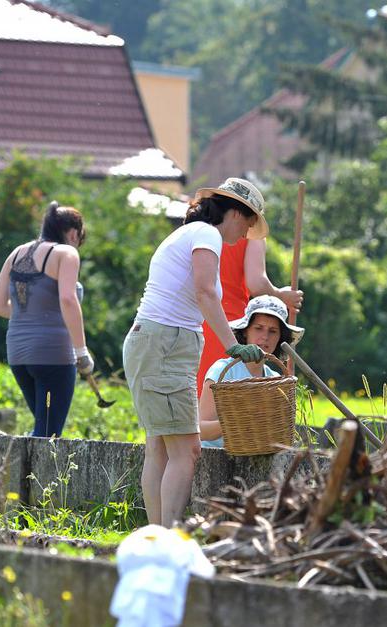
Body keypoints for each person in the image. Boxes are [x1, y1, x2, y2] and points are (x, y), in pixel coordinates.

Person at [123, 177, 268, 527]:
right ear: (237, 213)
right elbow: (206, 292)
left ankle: (157, 534)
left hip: (155, 343)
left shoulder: (188, 234)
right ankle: (167, 535)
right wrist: (233, 344)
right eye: (248, 224)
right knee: (187, 450)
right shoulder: (207, 235)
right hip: (165, 345)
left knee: (160, 447)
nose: (246, 234)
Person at [0, 201, 92, 438]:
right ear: (74, 233)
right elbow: (68, 299)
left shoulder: (16, 253)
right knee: (48, 435)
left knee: (42, 428)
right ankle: (20, 463)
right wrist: (81, 352)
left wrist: (32, 317)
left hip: (18, 354)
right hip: (53, 354)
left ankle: (20, 459)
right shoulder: (66, 253)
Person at [195, 235, 303, 395]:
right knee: (235, 400)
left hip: (196, 321)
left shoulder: (200, 228)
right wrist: (281, 295)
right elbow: (256, 283)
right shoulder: (253, 230)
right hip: (228, 327)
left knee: (198, 397)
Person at [198, 295, 304, 447]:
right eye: (258, 328)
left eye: (273, 331)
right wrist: (237, 421)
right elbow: (201, 430)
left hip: (255, 455)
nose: (265, 337)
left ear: (280, 337)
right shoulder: (222, 370)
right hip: (214, 455)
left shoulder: (275, 379)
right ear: (245, 331)